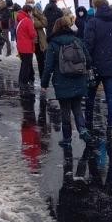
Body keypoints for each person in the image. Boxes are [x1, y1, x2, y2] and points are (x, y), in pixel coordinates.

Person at [41, 15, 92, 147]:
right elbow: (88, 59)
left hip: (62, 81)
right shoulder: (77, 40)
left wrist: (44, 84)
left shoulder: (53, 44)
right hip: (79, 78)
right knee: (77, 107)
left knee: (65, 110)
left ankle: (67, 139)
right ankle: (82, 129)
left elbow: (48, 66)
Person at [84, 0, 112, 133]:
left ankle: (88, 121)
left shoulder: (92, 22)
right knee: (111, 97)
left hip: (94, 65)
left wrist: (88, 61)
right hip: (110, 64)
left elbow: (88, 44)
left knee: (90, 95)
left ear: (96, 7)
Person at [16, 0, 38, 91]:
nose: (32, 14)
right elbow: (32, 34)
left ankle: (21, 80)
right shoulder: (28, 21)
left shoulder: (20, 20)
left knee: (23, 64)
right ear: (28, 12)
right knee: (26, 65)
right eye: (31, 12)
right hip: (27, 46)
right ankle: (24, 82)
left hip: (21, 46)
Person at [32, 2, 49, 79]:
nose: (31, 4)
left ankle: (42, 78)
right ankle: (30, 77)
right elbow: (30, 24)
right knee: (28, 61)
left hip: (40, 40)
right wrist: (38, 23)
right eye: (29, 2)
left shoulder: (38, 13)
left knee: (41, 61)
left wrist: (37, 15)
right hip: (31, 40)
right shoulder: (27, 13)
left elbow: (45, 23)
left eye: (32, 2)